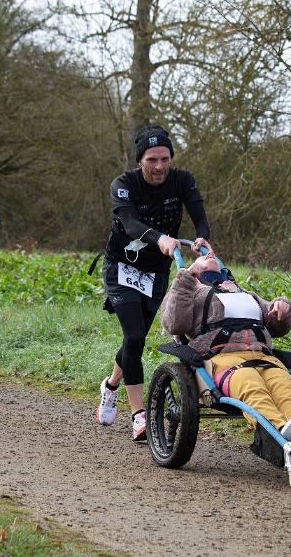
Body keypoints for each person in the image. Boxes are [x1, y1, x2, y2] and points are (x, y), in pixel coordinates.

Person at [95, 124, 211, 441]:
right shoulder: (123, 184)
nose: (159, 167)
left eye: (164, 159)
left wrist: (202, 238)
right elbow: (130, 223)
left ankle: (111, 385)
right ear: (140, 161)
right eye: (151, 160)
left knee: (136, 339)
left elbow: (200, 217)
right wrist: (160, 237)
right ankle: (138, 415)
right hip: (122, 266)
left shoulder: (182, 180)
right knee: (133, 335)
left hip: (157, 271)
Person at [162, 252, 291, 440]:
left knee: (283, 384)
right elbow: (175, 325)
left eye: (212, 255)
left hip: (262, 355)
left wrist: (282, 311)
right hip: (220, 357)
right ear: (195, 269)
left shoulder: (246, 294)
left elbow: (276, 327)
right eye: (204, 257)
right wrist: (186, 279)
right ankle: (278, 428)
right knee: (249, 382)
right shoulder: (190, 290)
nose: (210, 253)